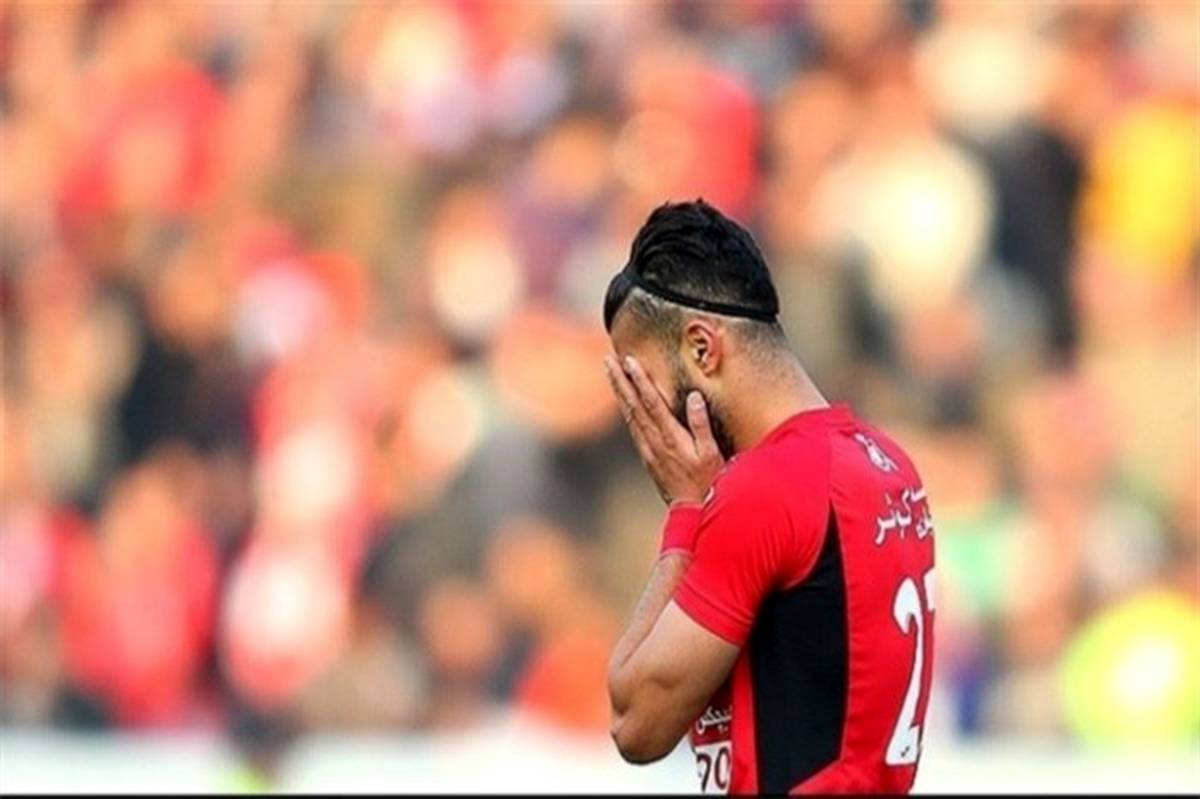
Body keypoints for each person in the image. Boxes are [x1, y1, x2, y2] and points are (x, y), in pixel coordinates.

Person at [601, 200, 936, 794]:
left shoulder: (767, 488)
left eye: (642, 380)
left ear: (702, 348)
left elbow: (636, 723)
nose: (642, 415)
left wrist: (685, 510)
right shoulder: (888, 465)